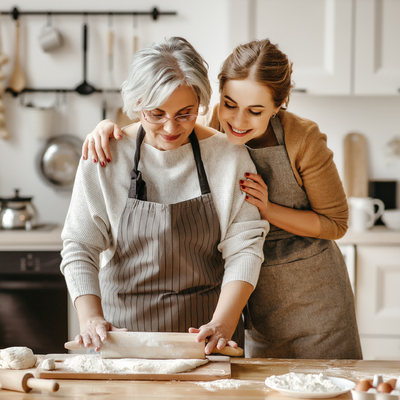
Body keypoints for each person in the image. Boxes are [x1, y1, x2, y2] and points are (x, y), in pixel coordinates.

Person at [81, 38, 363, 360]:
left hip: (311, 293)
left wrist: (267, 209)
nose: (238, 122)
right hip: (249, 295)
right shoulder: (211, 127)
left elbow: (335, 223)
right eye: (230, 104)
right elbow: (165, 121)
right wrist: (109, 130)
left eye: (255, 111)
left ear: (280, 104)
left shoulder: (303, 139)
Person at [61, 37, 268, 354]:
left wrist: (224, 323)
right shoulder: (105, 156)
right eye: (156, 114)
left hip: (206, 339)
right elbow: (79, 245)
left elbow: (245, 248)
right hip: (122, 339)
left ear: (201, 102)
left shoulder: (229, 157)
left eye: (186, 113)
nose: (171, 127)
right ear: (136, 104)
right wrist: (90, 319)